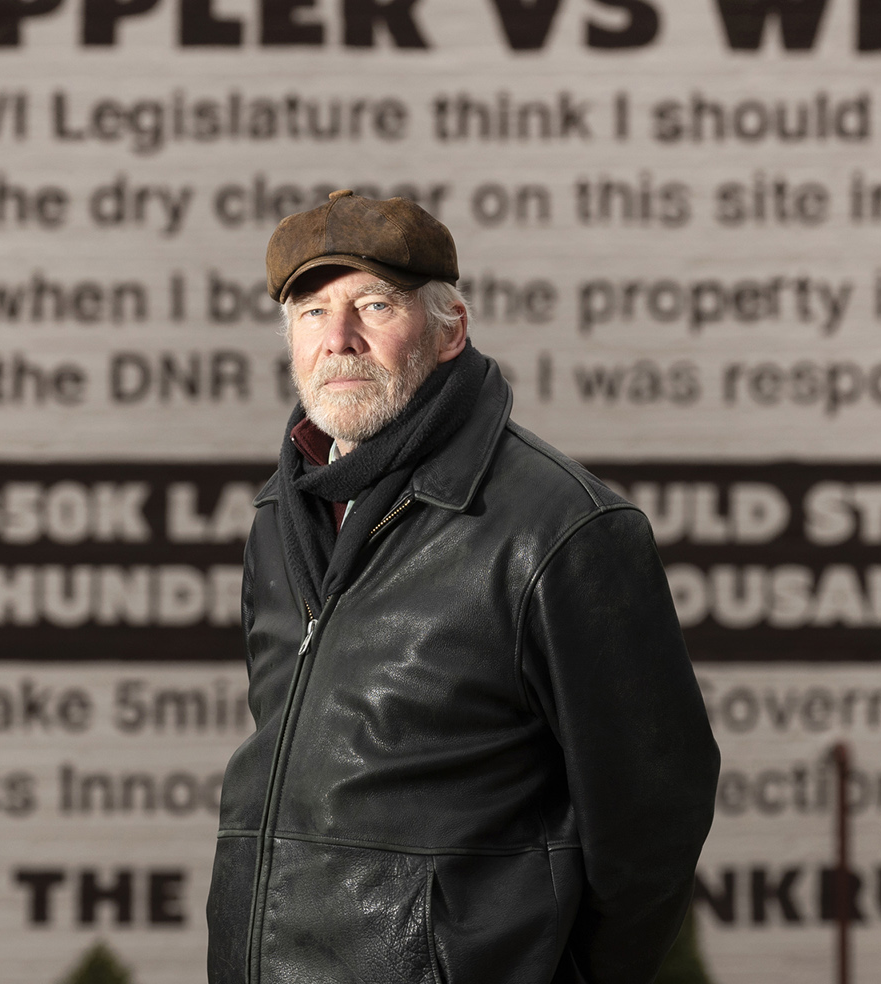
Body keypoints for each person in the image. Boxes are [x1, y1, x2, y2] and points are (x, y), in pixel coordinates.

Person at [207, 189, 719, 984]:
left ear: (451, 329)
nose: (338, 339)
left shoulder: (559, 529)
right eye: (311, 312)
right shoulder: (283, 513)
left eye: (373, 305)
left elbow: (654, 817)